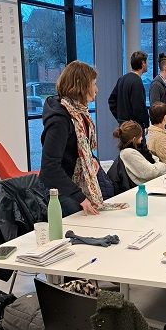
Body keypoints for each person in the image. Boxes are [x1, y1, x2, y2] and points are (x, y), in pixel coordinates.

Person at [39, 61, 113, 217]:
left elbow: (80, 149)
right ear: (81, 86)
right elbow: (49, 168)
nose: (96, 89)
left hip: (73, 184)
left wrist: (91, 159)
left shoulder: (79, 114)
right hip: (60, 190)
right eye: (93, 84)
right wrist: (79, 197)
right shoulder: (60, 120)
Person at [111, 121, 166, 186]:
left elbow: (155, 160)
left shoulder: (137, 149)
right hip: (145, 188)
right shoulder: (128, 153)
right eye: (140, 136)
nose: (142, 138)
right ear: (134, 139)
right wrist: (163, 165)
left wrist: (158, 165)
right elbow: (151, 172)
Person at [108, 50, 149, 133]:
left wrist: (121, 119)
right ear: (143, 63)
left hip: (124, 127)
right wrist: (145, 124)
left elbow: (111, 101)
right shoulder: (137, 81)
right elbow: (138, 108)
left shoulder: (122, 79)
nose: (147, 65)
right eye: (146, 62)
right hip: (135, 129)